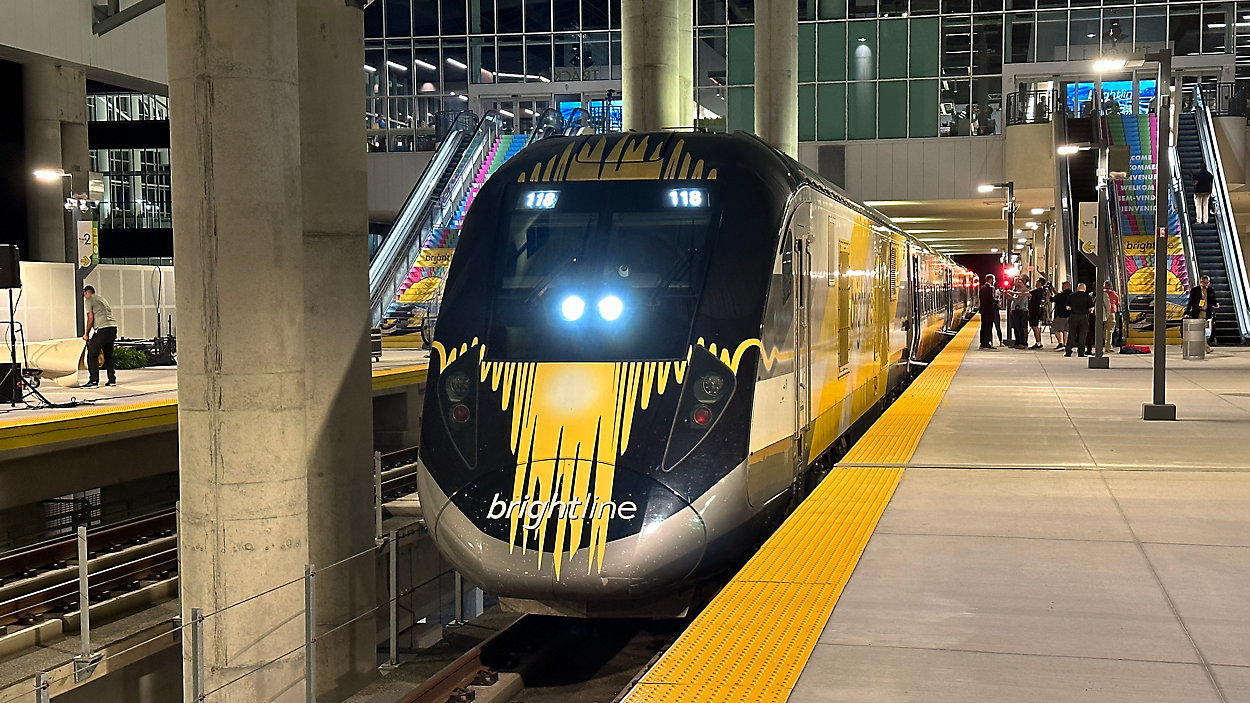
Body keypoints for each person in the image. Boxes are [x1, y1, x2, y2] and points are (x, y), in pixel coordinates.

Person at [82, 285, 118, 387]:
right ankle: (112, 379)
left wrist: (86, 334)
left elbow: (90, 318)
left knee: (92, 353)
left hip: (102, 329)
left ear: (86, 293)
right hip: (112, 328)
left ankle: (93, 380)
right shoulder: (102, 299)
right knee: (108, 354)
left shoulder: (89, 300)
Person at [1185, 275, 1220, 352]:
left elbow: (1213, 299)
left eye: (1208, 283)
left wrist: (1216, 303)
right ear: (1201, 282)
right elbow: (1190, 302)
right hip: (1198, 312)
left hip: (1206, 312)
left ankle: (1200, 347)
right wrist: (1187, 312)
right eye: (1205, 283)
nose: (1206, 285)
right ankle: (1205, 348)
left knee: (1201, 330)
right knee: (1201, 330)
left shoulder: (1210, 290)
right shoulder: (1195, 290)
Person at [1065, 283, 1095, 357]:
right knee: (1082, 335)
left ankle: (1068, 351)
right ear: (1084, 289)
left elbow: (1067, 307)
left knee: (1072, 334)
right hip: (1084, 317)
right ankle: (1081, 352)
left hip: (1073, 316)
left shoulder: (1071, 296)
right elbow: (1092, 308)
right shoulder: (1088, 297)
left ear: (1077, 288)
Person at [1007, 278, 1030, 349]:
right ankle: (1017, 342)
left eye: (1016, 281)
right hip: (1015, 310)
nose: (1015, 283)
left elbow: (1019, 299)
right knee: (1015, 327)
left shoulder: (1023, 290)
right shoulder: (1016, 290)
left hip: (1020, 310)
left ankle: (1022, 343)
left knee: (1020, 327)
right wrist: (1009, 296)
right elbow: (1015, 299)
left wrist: (1012, 293)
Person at [979, 274, 999, 349]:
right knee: (988, 326)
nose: (994, 281)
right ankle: (986, 343)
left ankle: (983, 342)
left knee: (984, 326)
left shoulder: (982, 288)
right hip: (988, 310)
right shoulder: (989, 288)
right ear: (990, 280)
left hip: (983, 310)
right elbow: (990, 299)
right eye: (993, 279)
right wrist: (997, 301)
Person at [1029, 277, 1050, 349]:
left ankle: (1038, 343)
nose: (1036, 283)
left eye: (1037, 282)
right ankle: (1038, 342)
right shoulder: (1041, 291)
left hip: (1035, 310)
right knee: (1035, 326)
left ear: (1040, 283)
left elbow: (1027, 293)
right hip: (1035, 309)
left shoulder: (1038, 291)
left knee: (1035, 326)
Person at [1052, 281, 1072, 350]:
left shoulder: (1061, 295)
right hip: (1069, 315)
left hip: (1061, 315)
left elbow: (1052, 299)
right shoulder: (1072, 294)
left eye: (1063, 286)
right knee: (1066, 330)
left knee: (1056, 328)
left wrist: (1048, 293)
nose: (1062, 287)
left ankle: (1060, 343)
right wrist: (1054, 291)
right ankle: (1065, 344)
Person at [1102, 281, 1120, 353]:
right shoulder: (1114, 294)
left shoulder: (1101, 293)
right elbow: (1118, 303)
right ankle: (1108, 346)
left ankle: (1104, 344)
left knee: (1104, 329)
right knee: (1110, 330)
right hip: (1111, 312)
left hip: (1103, 313)